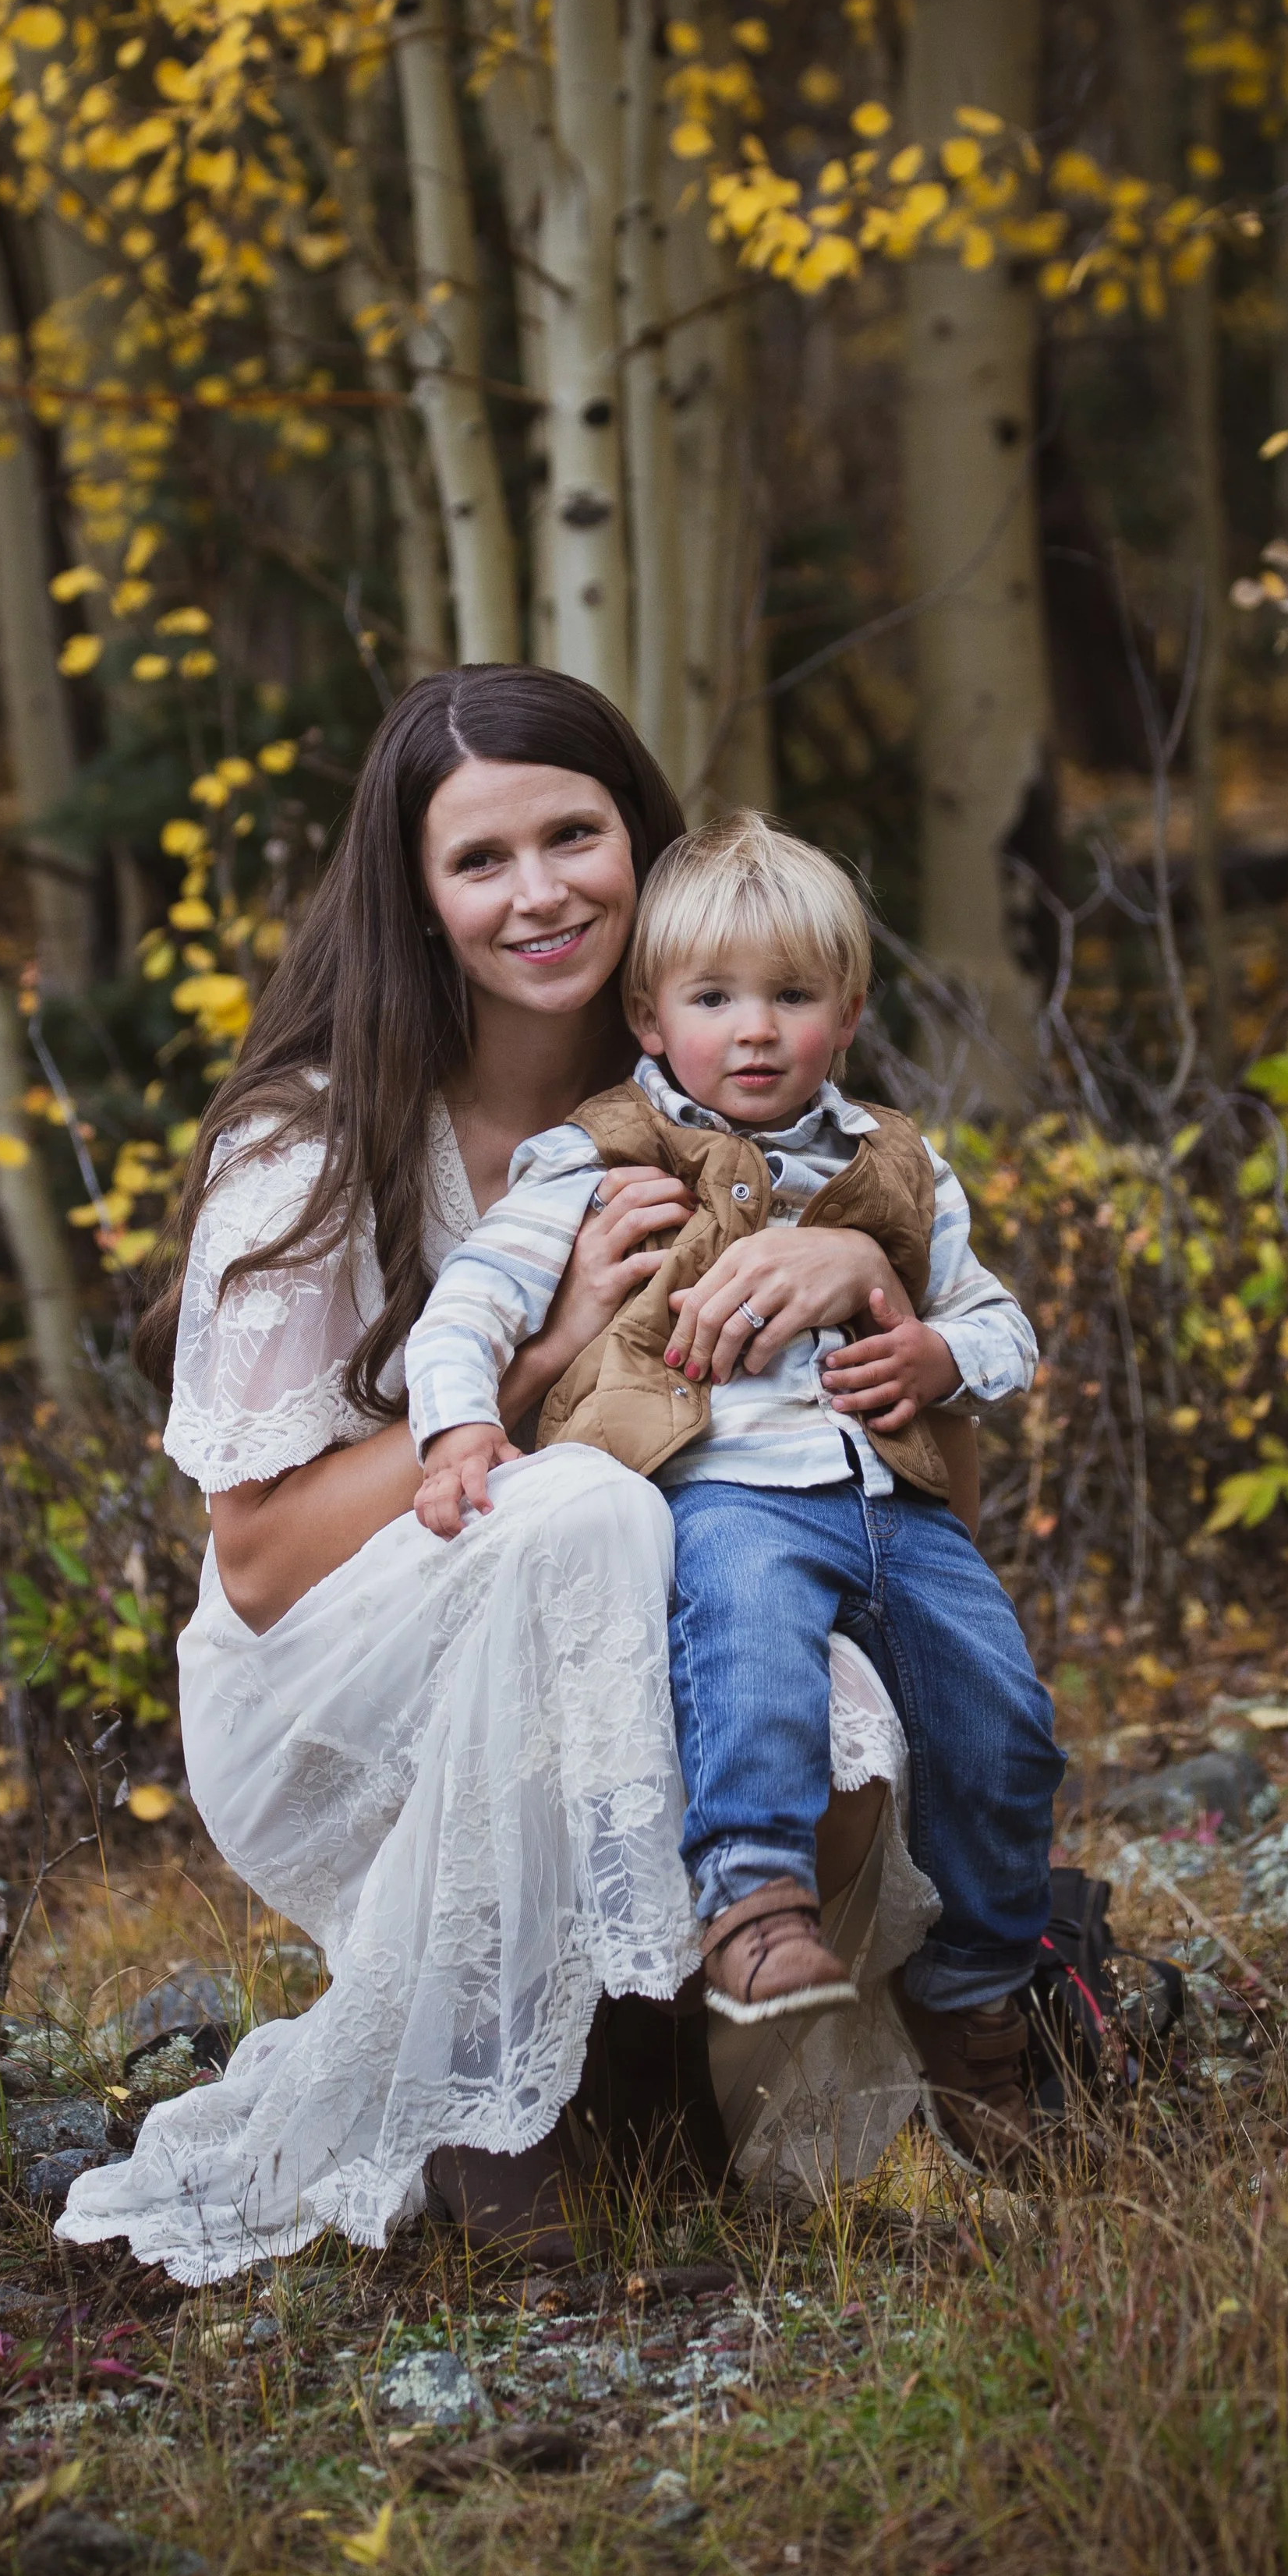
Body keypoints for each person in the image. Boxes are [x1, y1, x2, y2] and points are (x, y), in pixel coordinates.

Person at [55, 670, 939, 2284]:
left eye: (572, 834)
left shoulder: (702, 1088)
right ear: (412, 894)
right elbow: (256, 1558)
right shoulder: (308, 1143)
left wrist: (827, 1254)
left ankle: (634, 2063)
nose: (539, 892)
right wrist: (529, 1373)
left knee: (842, 1717)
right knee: (577, 1503)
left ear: (638, 842)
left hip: (609, 1601)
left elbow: (902, 1255)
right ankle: (488, 2120)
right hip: (331, 1671)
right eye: (479, 859)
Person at [405, 813, 1062, 2161]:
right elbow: (474, 1292)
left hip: (896, 1505)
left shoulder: (901, 1161)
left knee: (1004, 1723)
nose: (753, 1030)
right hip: (726, 1489)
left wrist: (941, 1353)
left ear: (849, 1012)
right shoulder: (602, 1156)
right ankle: (753, 1905)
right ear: (650, 1017)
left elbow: (1007, 1331)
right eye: (714, 998)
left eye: (791, 996)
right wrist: (458, 1426)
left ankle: (980, 2006)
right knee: (749, 1653)